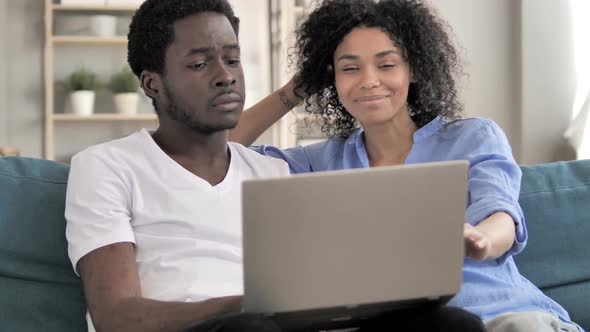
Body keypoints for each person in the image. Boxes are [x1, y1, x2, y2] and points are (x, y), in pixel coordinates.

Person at [64, 0, 485, 331]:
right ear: (152, 83)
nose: (225, 76)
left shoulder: (273, 172)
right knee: (249, 328)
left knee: (449, 324)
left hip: (282, 326)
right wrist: (249, 306)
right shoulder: (106, 167)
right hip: (219, 328)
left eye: (232, 59)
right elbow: (116, 317)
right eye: (199, 64)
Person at [229, 0, 583, 331]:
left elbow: (502, 215)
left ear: (413, 69)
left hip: (507, 317)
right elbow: (223, 147)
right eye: (349, 68)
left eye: (386, 65)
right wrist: (296, 90)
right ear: (332, 79)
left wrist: (480, 240)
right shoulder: (319, 162)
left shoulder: (472, 137)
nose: (369, 80)